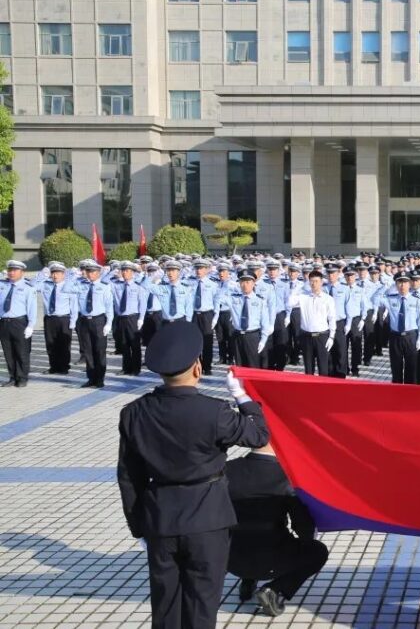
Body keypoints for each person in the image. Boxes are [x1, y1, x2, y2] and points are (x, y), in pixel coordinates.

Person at [117, 321, 270, 629]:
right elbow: (259, 435)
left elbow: (128, 476)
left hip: (160, 519)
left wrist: (139, 526)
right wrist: (242, 397)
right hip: (207, 520)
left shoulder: (133, 413)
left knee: (165, 605)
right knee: (202, 605)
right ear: (197, 367)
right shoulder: (214, 412)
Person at [225, 442, 329, 618]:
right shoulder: (285, 476)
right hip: (274, 561)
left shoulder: (228, 469)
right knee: (318, 551)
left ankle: (247, 582)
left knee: (247, 531)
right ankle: (274, 589)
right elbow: (303, 528)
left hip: (231, 560)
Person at [287, 269, 336, 376]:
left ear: (322, 282)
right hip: (306, 336)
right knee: (308, 369)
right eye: (311, 281)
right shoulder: (303, 297)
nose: (314, 284)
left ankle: (323, 391)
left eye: (316, 281)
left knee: (323, 368)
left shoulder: (328, 299)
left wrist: (331, 337)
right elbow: (289, 302)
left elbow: (332, 318)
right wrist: (299, 288)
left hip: (322, 336)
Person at [76, 260, 115, 388]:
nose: (90, 274)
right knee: (88, 351)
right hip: (84, 320)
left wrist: (108, 323)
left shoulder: (104, 286)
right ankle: (91, 378)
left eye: (93, 272)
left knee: (99, 351)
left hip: (98, 321)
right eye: (88, 272)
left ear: (98, 273)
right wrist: (75, 277)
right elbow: (66, 289)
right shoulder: (80, 285)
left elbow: (109, 307)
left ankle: (100, 379)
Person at [224, 270, 274, 368]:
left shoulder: (260, 301)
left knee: (253, 365)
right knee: (240, 366)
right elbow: (218, 298)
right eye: (242, 282)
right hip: (238, 336)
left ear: (253, 283)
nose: (244, 285)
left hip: (253, 336)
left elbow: (265, 323)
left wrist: (263, 340)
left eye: (248, 282)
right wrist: (227, 284)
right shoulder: (233, 298)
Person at [384, 272, 420, 384]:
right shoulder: (390, 299)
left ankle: (410, 395)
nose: (402, 286)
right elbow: (374, 299)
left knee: (411, 369)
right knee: (396, 369)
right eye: (399, 282)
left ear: (409, 284)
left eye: (405, 282)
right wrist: (389, 287)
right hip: (395, 337)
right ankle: (397, 395)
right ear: (396, 284)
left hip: (410, 337)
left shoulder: (417, 300)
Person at [36, 262, 77, 375]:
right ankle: (53, 366)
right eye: (53, 273)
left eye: (58, 273)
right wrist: (41, 274)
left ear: (63, 274)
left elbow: (74, 305)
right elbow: (32, 286)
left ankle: (64, 367)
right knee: (50, 344)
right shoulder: (45, 285)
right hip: (50, 319)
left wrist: (73, 321)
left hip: (64, 319)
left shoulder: (69, 286)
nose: (55, 275)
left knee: (64, 344)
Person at [0, 260, 36, 387]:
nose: (12, 273)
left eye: (15, 270)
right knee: (8, 352)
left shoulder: (28, 288)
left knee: (22, 352)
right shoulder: (2, 285)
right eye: (10, 270)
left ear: (22, 272)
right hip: (4, 323)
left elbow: (32, 308)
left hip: (19, 322)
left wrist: (31, 325)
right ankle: (12, 377)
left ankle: (22, 378)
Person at [111, 262, 147, 376]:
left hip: (133, 317)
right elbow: (103, 281)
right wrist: (112, 272)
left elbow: (143, 304)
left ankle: (136, 369)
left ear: (132, 273)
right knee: (124, 344)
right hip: (121, 318)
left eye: (127, 271)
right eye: (123, 270)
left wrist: (141, 318)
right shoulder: (117, 286)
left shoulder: (138, 287)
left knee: (134, 344)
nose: (124, 273)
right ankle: (126, 368)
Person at [188, 259, 218, 374]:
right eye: (197, 268)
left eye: (201, 268)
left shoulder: (212, 284)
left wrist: (215, 316)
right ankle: (197, 365)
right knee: (194, 341)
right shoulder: (190, 283)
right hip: (194, 314)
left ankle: (207, 366)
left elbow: (216, 302)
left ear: (207, 270)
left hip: (207, 314)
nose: (198, 271)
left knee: (207, 341)